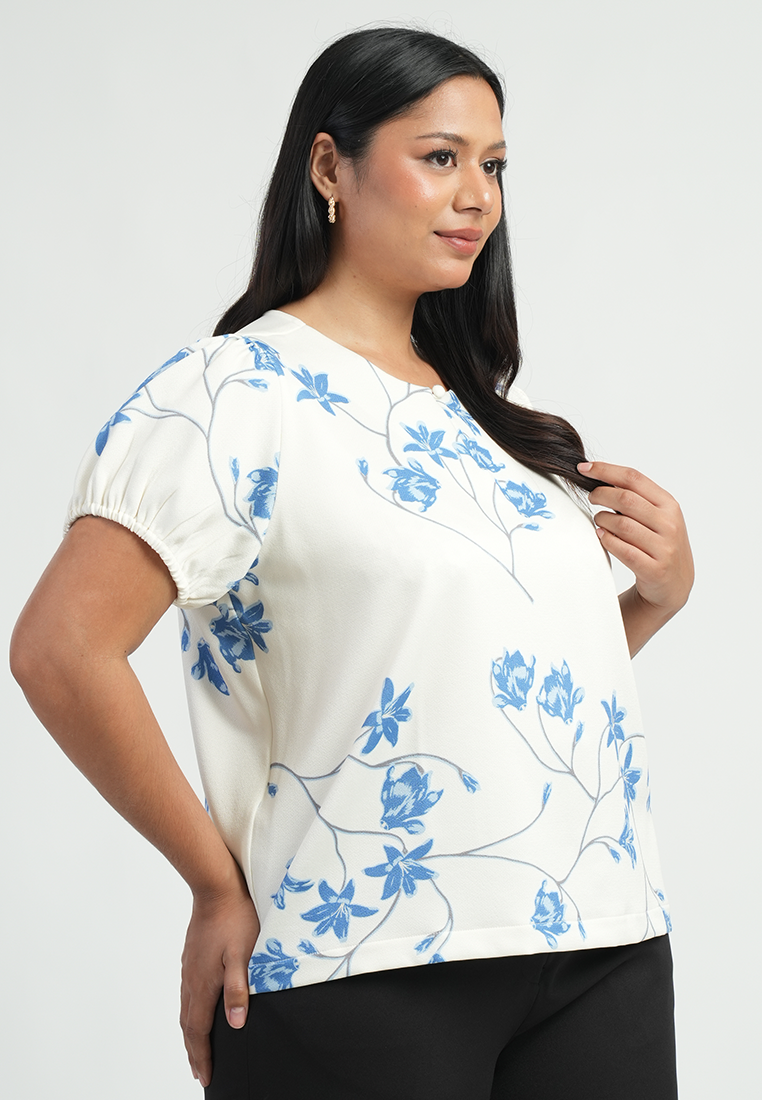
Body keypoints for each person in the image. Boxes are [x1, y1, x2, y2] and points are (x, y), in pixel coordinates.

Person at [10, 26, 693, 1100]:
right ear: (329, 167)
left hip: (603, 937)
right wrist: (212, 883)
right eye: (440, 157)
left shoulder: (492, 417)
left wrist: (655, 598)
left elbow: (475, 674)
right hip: (363, 952)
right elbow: (60, 649)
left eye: (494, 165)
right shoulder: (233, 393)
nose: (477, 196)